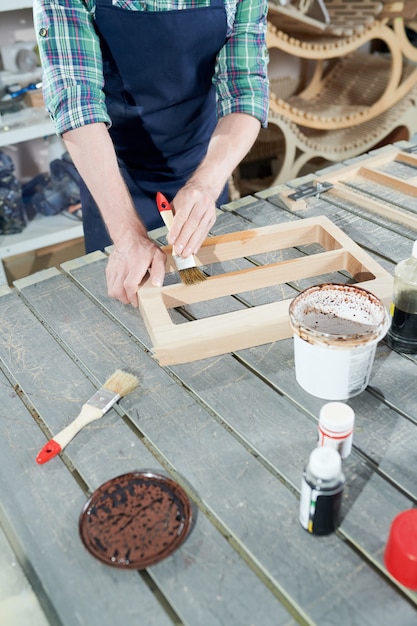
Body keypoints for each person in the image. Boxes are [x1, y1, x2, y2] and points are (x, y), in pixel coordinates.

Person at [33, 0, 269, 307]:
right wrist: (127, 233)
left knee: (209, 301)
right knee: (128, 306)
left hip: (203, 161)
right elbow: (75, 98)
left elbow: (245, 88)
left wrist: (206, 185)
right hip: (112, 169)